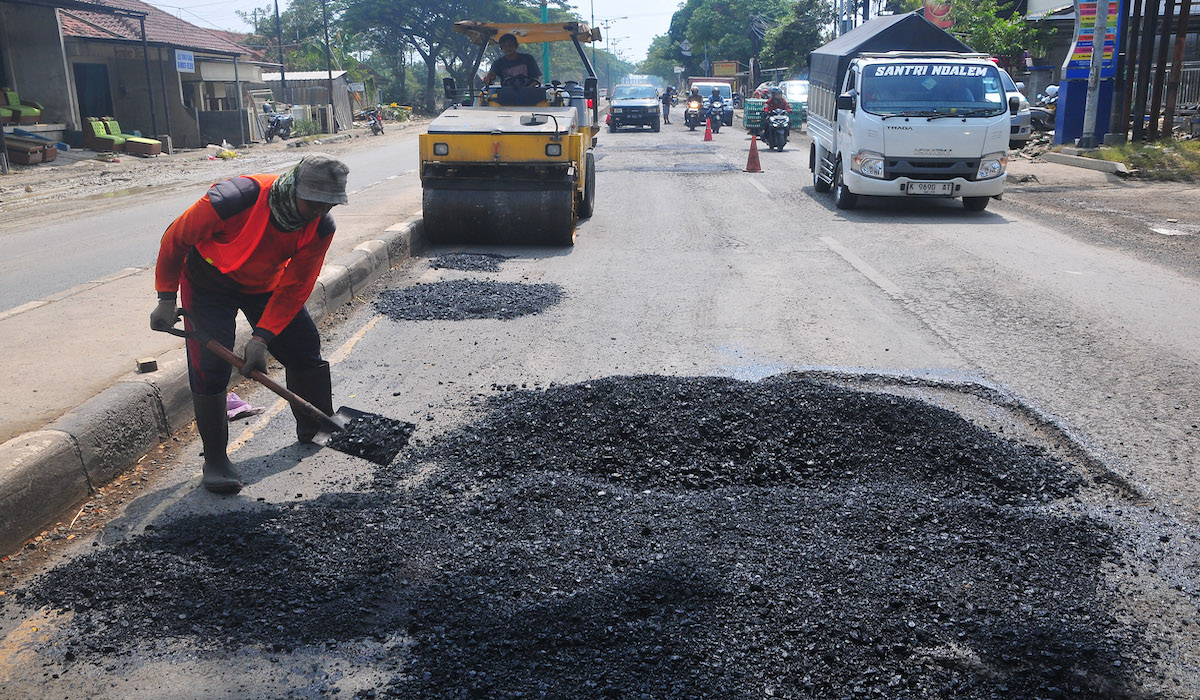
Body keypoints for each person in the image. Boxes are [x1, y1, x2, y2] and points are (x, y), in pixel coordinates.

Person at [150, 154, 350, 494]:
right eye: (313, 202)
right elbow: (175, 238)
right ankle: (215, 459)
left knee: (303, 347)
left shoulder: (321, 227)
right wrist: (166, 297)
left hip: (264, 285)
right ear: (294, 188)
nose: (319, 212)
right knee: (210, 366)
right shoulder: (234, 199)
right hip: (208, 280)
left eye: (328, 204)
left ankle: (317, 424)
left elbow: (297, 285)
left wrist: (262, 337)